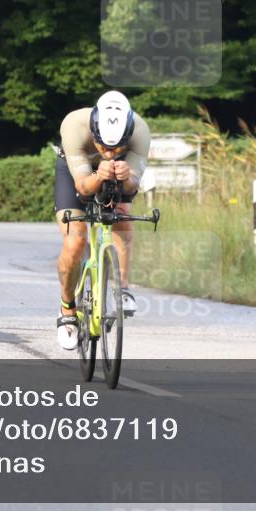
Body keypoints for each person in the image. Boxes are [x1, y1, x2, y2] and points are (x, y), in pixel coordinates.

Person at [54, 91, 151, 349]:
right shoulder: (74, 125)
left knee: (122, 215)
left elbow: (131, 189)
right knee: (75, 241)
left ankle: (124, 288)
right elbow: (84, 188)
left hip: (117, 173)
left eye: (117, 147)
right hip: (76, 172)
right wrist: (99, 176)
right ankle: (67, 312)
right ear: (94, 131)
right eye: (103, 146)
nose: (109, 152)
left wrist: (126, 176)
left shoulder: (140, 131)